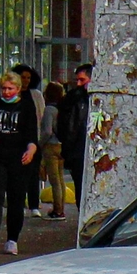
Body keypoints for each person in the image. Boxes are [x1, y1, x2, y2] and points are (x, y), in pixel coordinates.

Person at [0, 70, 39, 253]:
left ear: (19, 89)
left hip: (18, 158)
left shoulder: (26, 107)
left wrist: (31, 150)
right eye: (3, 88)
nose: (6, 92)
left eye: (10, 89)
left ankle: (12, 239)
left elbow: (31, 134)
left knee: (16, 199)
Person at [58, 64, 92, 209]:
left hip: (80, 149)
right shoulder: (74, 99)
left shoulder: (75, 100)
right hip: (78, 150)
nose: (78, 84)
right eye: (77, 80)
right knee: (81, 189)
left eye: (82, 80)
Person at [38, 79, 68, 218]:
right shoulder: (62, 108)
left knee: (54, 180)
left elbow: (47, 131)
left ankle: (57, 210)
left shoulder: (49, 109)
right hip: (62, 145)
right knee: (60, 179)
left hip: (51, 146)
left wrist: (40, 144)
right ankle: (61, 207)